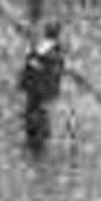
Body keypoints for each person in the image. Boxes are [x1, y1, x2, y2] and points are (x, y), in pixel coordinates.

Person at [19, 24, 65, 157]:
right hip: (44, 88)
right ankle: (37, 141)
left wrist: (26, 78)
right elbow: (56, 71)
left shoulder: (44, 49)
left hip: (37, 86)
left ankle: (36, 142)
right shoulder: (55, 51)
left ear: (46, 32)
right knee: (37, 112)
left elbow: (31, 65)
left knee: (34, 112)